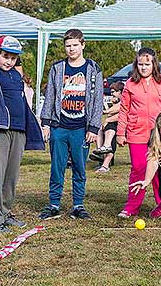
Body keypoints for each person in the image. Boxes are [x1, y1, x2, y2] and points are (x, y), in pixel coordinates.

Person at [0, 35, 44, 233]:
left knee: (11, 176)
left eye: (13, 58)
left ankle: (5, 213)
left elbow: (23, 102)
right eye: (5, 56)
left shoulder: (16, 76)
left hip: (19, 131)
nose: (9, 61)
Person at [38, 29, 103, 220]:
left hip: (81, 129)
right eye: (68, 46)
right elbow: (50, 95)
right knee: (57, 167)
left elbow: (97, 99)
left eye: (75, 45)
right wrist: (46, 123)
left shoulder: (93, 69)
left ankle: (78, 204)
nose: (71, 49)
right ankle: (54, 203)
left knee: (79, 167)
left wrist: (93, 127)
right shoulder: (58, 68)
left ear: (83, 45)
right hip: (60, 126)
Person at [116, 47, 161, 219]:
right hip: (136, 133)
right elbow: (124, 110)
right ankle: (132, 206)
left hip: (159, 135)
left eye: (147, 64)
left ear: (154, 64)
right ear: (136, 65)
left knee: (159, 171)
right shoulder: (130, 84)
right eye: (140, 64)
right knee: (138, 169)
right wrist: (120, 133)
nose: (144, 67)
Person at [90, 81, 125, 173]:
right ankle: (101, 152)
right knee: (100, 128)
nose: (111, 94)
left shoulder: (125, 100)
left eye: (113, 91)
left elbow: (121, 113)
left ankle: (105, 163)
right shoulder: (117, 101)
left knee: (110, 127)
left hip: (125, 127)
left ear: (120, 92)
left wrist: (107, 117)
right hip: (115, 126)